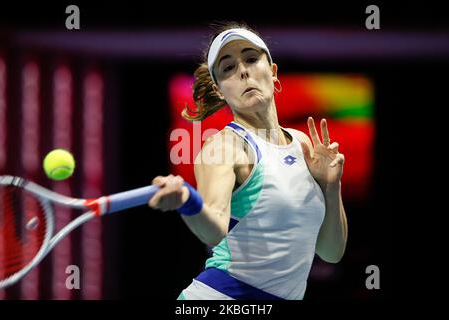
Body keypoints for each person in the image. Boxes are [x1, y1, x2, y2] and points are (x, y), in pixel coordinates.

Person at [148, 23, 348, 300]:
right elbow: (213, 230)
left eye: (251, 59)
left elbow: (331, 252)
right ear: (219, 91)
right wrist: (187, 201)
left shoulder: (302, 143)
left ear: (273, 73)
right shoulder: (224, 146)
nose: (243, 70)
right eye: (228, 68)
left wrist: (331, 186)